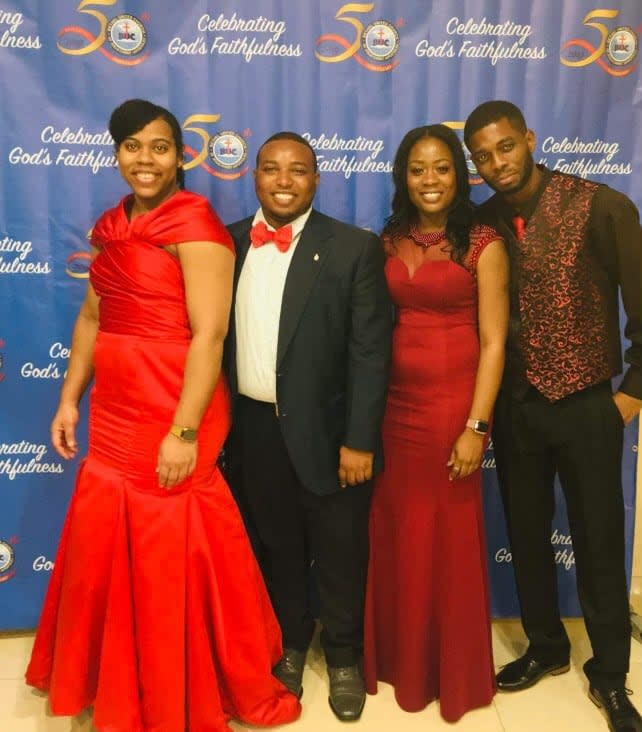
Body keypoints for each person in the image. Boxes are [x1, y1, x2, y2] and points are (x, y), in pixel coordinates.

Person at [25, 100, 301, 732]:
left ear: (181, 156)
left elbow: (209, 337)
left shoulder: (196, 224)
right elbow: (94, 317)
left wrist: (182, 431)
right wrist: (70, 397)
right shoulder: (111, 226)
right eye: (131, 146)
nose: (143, 160)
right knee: (110, 539)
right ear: (117, 154)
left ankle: (181, 679)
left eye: (158, 147)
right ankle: (115, 675)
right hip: (116, 410)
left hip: (174, 408)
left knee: (167, 542)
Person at [464, 100, 642, 731]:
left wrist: (630, 394)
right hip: (516, 409)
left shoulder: (601, 205)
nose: (495, 163)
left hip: (589, 404)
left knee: (598, 540)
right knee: (527, 535)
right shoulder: (480, 221)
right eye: (482, 156)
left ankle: (612, 676)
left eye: (505, 147)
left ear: (529, 139)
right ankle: (546, 648)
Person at [224, 131, 391, 721]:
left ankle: (344, 655)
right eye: (272, 169)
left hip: (332, 433)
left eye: (298, 170)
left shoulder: (352, 248)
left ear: (316, 179)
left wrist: (360, 440)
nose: (284, 180)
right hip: (253, 429)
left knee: (341, 549)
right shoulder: (227, 244)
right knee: (276, 546)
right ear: (255, 178)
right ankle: (290, 643)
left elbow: (371, 354)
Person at [363, 124, 508, 722]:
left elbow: (495, 343)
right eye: (418, 168)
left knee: (445, 536)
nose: (429, 179)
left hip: (453, 409)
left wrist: (477, 427)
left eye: (442, 167)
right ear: (404, 175)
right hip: (393, 412)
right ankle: (400, 660)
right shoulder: (387, 240)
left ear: (459, 175)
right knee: (398, 531)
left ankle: (449, 670)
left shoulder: (483, 244)